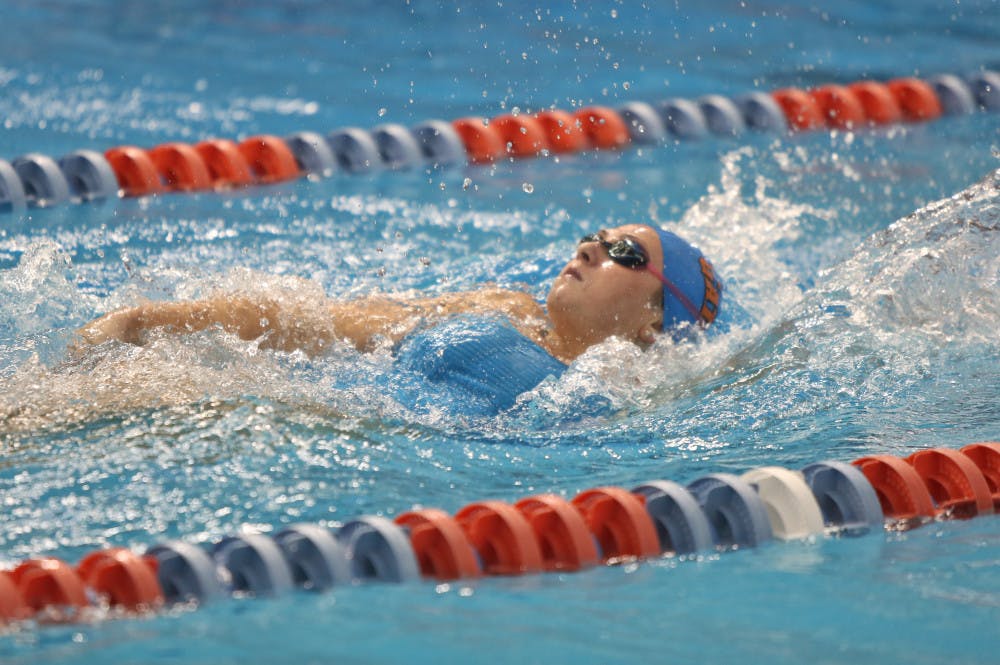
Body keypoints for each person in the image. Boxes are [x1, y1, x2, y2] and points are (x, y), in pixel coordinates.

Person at [77, 224, 723, 415]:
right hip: (284, 400)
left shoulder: (618, 401)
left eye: (625, 254)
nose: (589, 249)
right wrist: (151, 319)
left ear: (652, 323)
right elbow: (329, 323)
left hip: (298, 426)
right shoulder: (504, 308)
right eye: (596, 235)